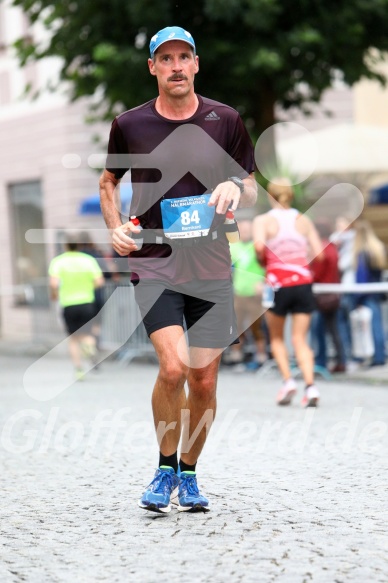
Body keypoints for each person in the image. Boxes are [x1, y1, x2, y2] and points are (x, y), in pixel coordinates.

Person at [99, 26, 257, 513]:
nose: (175, 66)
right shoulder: (130, 124)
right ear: (152, 68)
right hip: (155, 264)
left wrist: (235, 188)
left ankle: (188, 474)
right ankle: (164, 465)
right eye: (164, 58)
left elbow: (249, 184)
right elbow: (108, 181)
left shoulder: (224, 119)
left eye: (183, 57)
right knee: (173, 367)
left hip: (211, 264)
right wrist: (115, 227)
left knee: (204, 381)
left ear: (195, 64)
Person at [253, 178, 322, 407]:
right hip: (302, 282)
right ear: (291, 195)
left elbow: (259, 248)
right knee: (300, 339)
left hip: (277, 284)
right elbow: (319, 253)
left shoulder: (263, 220)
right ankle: (311, 387)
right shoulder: (304, 220)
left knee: (276, 338)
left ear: (270, 195)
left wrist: (265, 262)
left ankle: (288, 382)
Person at [48, 235, 105, 380]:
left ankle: (79, 370)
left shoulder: (58, 261)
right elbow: (100, 281)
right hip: (87, 301)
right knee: (87, 334)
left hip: (68, 303)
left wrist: (55, 294)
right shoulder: (88, 260)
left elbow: (54, 284)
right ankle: (91, 349)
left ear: (66, 246)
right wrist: (87, 288)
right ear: (79, 245)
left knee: (73, 339)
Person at [228, 218, 267, 370]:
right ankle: (237, 357)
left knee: (257, 327)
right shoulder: (234, 247)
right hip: (239, 292)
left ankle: (261, 357)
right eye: (242, 230)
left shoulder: (257, 247)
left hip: (255, 294)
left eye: (247, 230)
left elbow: (267, 265)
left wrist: (263, 283)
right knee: (237, 327)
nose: (245, 232)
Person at [311, 221, 346, 373]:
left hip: (321, 295)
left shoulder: (320, 249)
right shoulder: (333, 248)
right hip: (334, 294)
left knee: (318, 330)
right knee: (334, 330)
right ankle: (341, 361)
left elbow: (316, 274)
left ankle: (321, 362)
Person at [352, 220, 387, 366]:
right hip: (376, 291)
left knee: (374, 326)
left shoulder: (362, 253)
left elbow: (362, 278)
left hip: (367, 294)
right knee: (378, 325)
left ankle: (378, 356)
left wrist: (358, 298)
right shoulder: (378, 249)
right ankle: (380, 354)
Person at [330, 216, 356, 368]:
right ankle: (346, 357)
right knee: (341, 324)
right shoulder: (335, 240)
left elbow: (343, 264)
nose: (340, 226)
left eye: (343, 223)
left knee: (345, 324)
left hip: (348, 287)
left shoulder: (353, 241)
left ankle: (349, 357)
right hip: (338, 287)